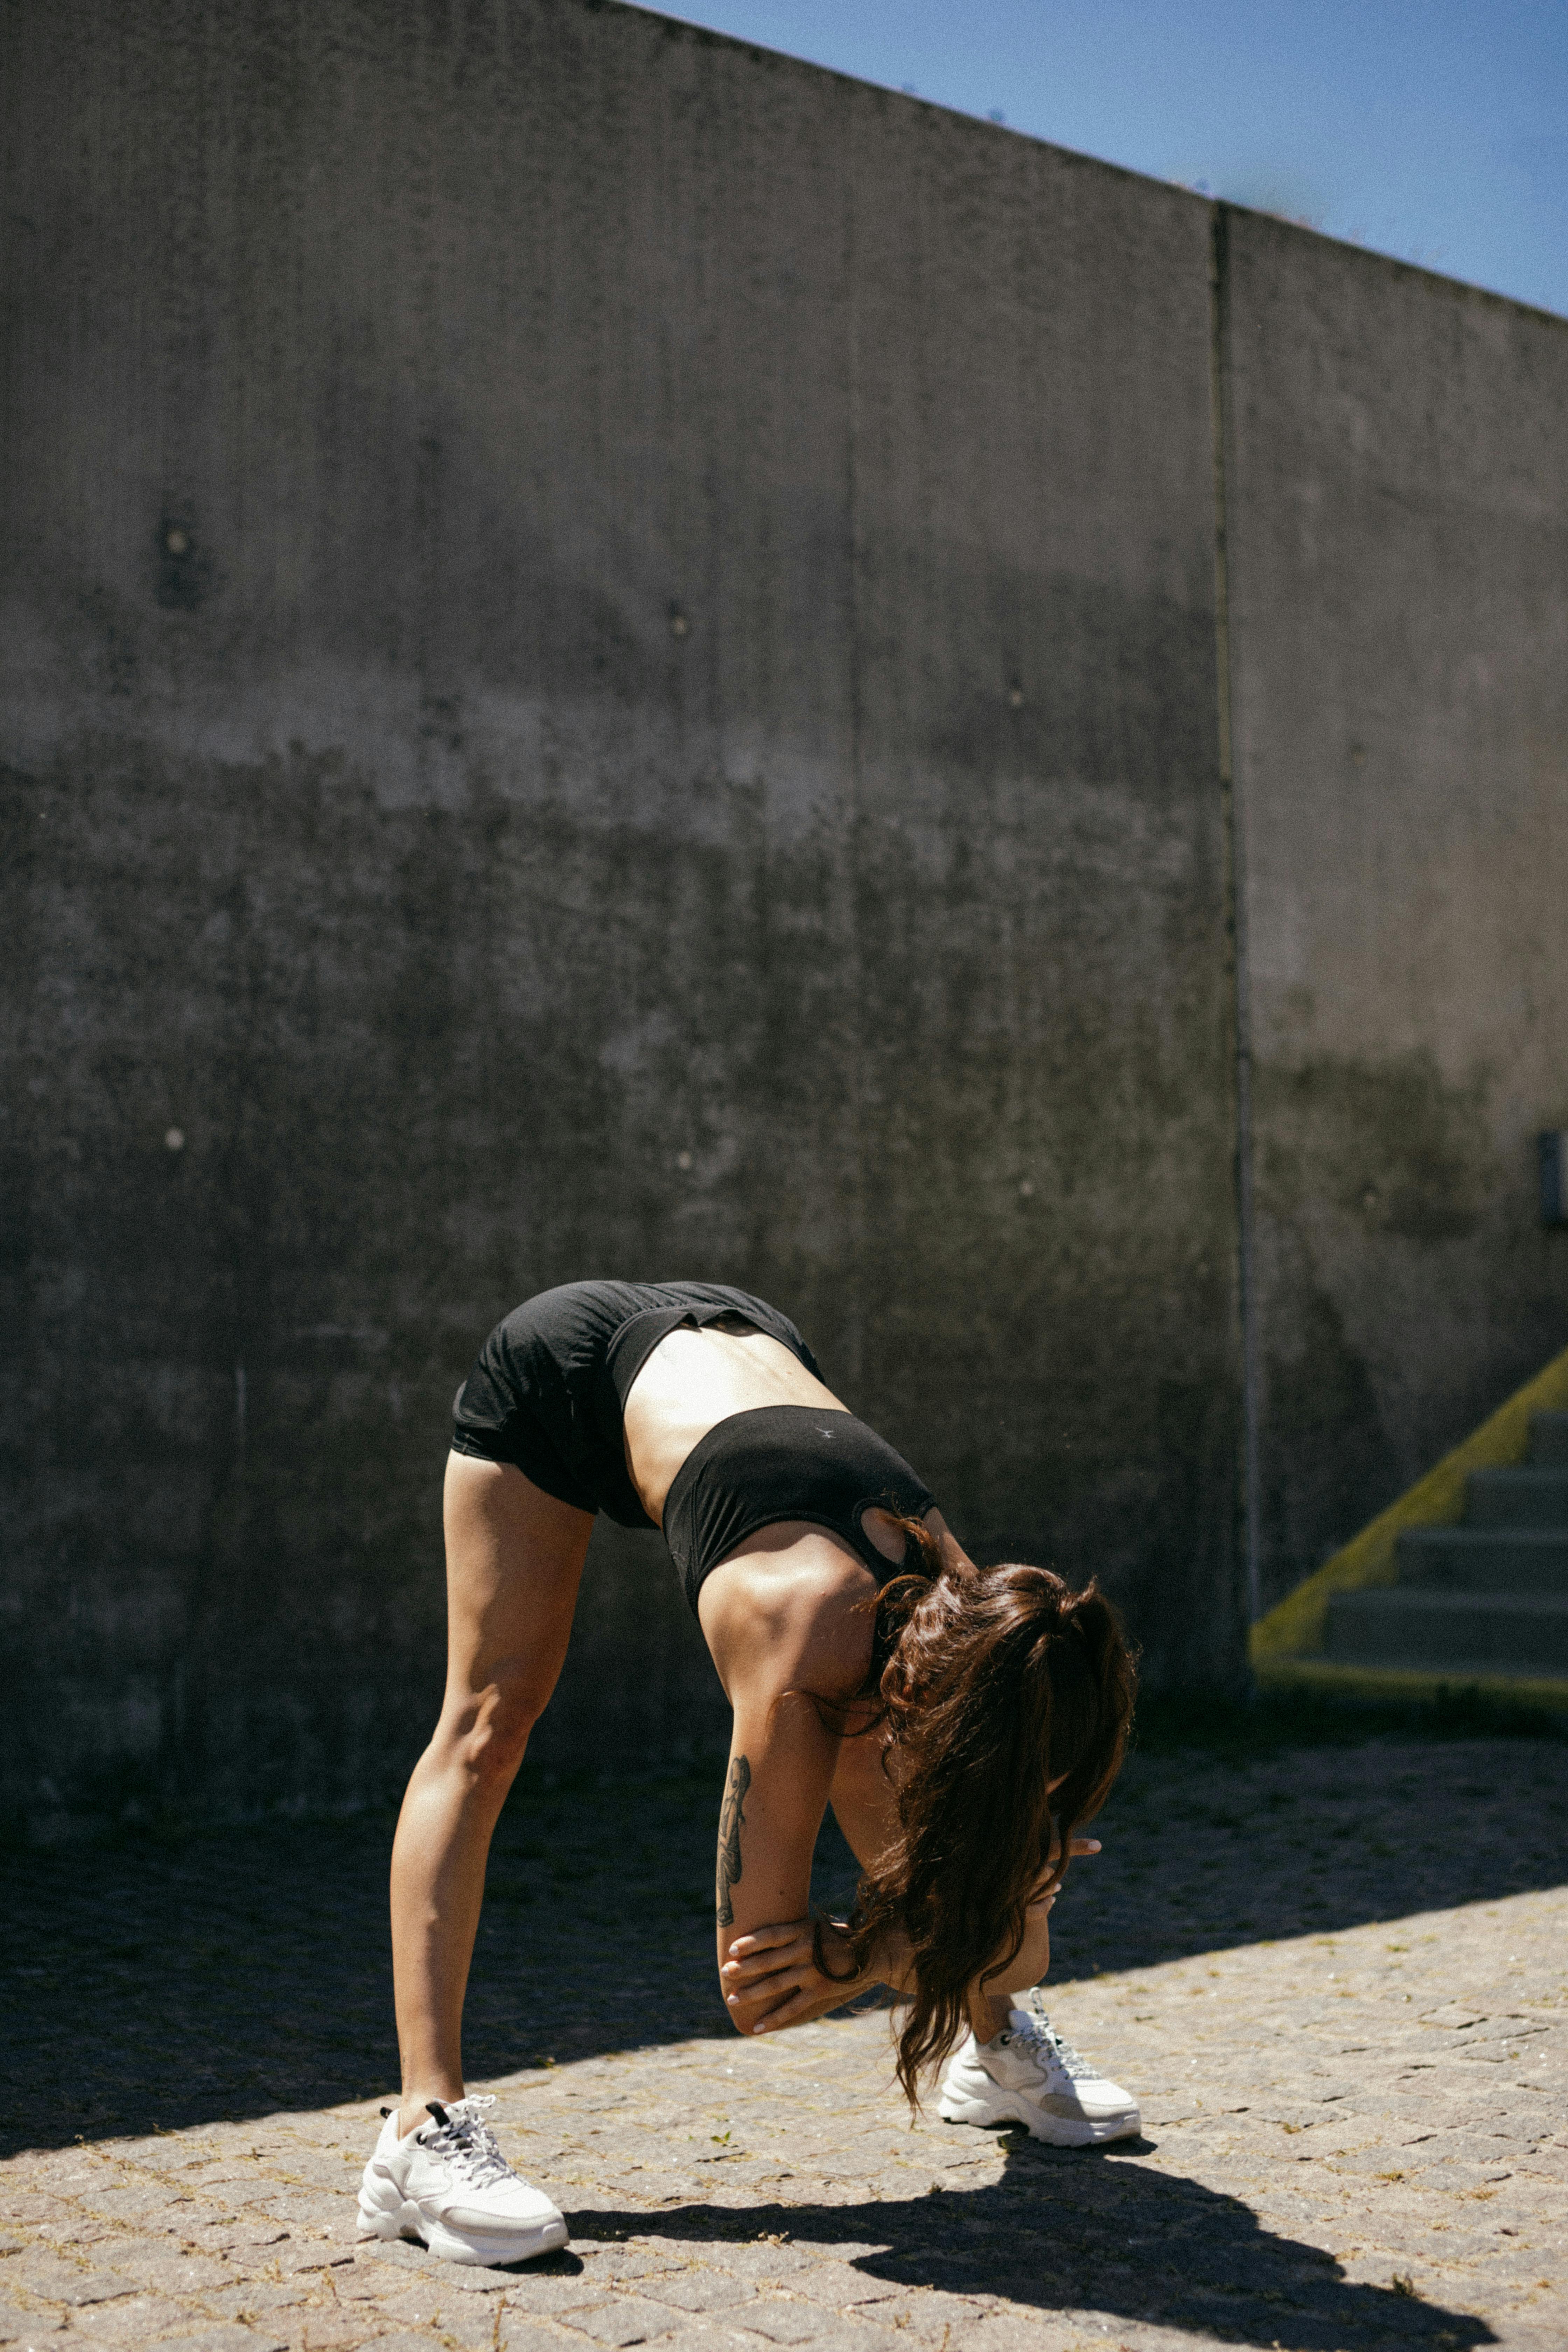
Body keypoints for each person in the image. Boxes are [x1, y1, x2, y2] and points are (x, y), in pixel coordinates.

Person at [357, 1280, 1140, 2267]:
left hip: (748, 1343)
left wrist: (993, 1899)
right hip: (565, 1375)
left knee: (902, 1794)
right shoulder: (796, 1639)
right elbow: (758, 1988)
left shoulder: (989, 1617)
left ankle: (994, 2054)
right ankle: (419, 2137)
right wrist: (897, 1941)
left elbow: (1010, 1940)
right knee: (488, 1724)